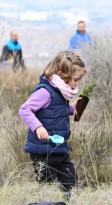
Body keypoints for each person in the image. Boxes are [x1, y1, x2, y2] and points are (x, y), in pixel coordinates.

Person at [19, 50, 86, 196]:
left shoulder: (60, 91)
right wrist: (38, 127)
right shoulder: (45, 91)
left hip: (60, 148)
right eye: (75, 79)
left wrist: (72, 109)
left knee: (70, 183)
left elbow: (56, 108)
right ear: (62, 75)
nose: (77, 84)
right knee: (46, 187)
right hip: (43, 151)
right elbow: (25, 109)